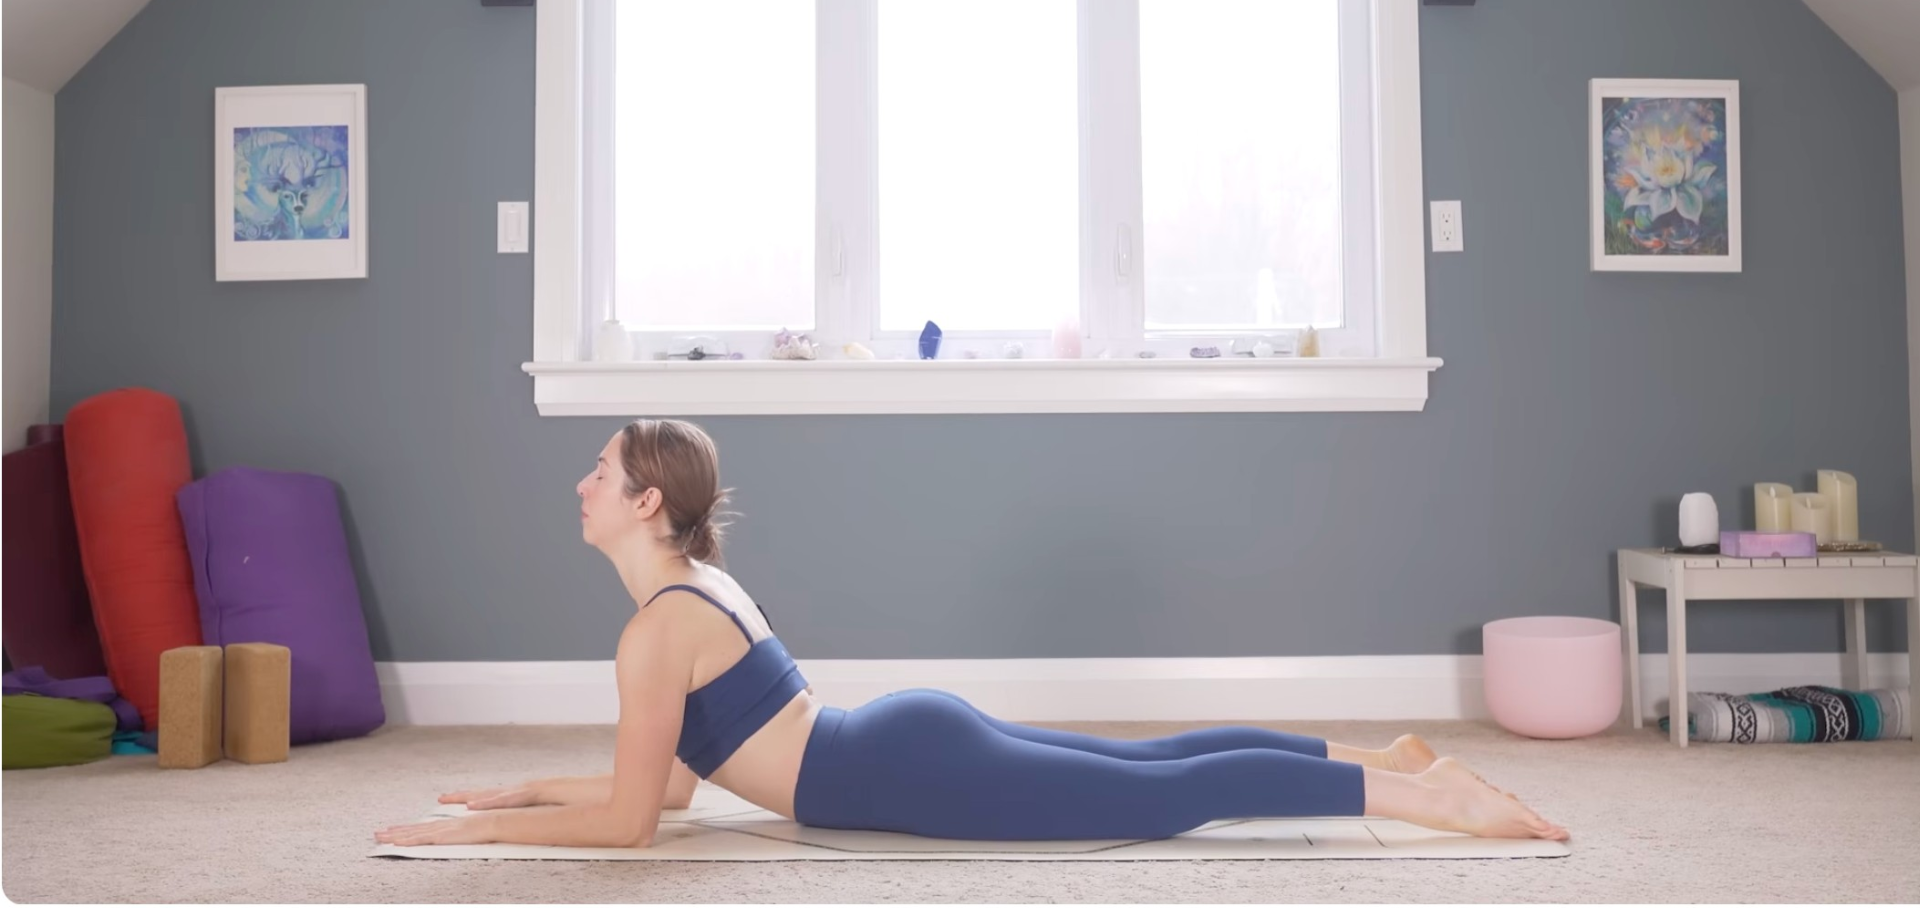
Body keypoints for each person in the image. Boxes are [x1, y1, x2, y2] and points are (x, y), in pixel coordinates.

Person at [375, 419, 1568, 848]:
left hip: (889, 765)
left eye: (599, 472)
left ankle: (1429, 801)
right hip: (896, 740)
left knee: (1152, 799)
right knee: (1147, 767)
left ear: (646, 503)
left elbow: (634, 826)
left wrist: (454, 852)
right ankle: (1393, 763)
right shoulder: (698, 593)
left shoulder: (654, 633)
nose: (578, 485)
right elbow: (675, 796)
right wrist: (518, 793)